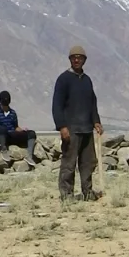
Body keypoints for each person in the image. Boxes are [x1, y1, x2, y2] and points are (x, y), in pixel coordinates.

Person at [52, 44, 103, 203]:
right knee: (69, 162)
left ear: (84, 60)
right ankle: (66, 195)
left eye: (80, 58)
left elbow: (92, 103)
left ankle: (87, 192)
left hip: (86, 128)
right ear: (70, 59)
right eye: (74, 57)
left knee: (88, 163)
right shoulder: (63, 79)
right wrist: (62, 126)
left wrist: (96, 121)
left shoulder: (87, 80)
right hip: (71, 129)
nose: (76, 60)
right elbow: (57, 105)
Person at [0, 89, 37, 164]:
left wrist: (23, 131)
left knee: (32, 133)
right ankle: (4, 149)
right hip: (3, 136)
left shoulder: (12, 113)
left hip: (12, 135)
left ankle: (29, 156)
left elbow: (16, 127)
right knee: (1, 129)